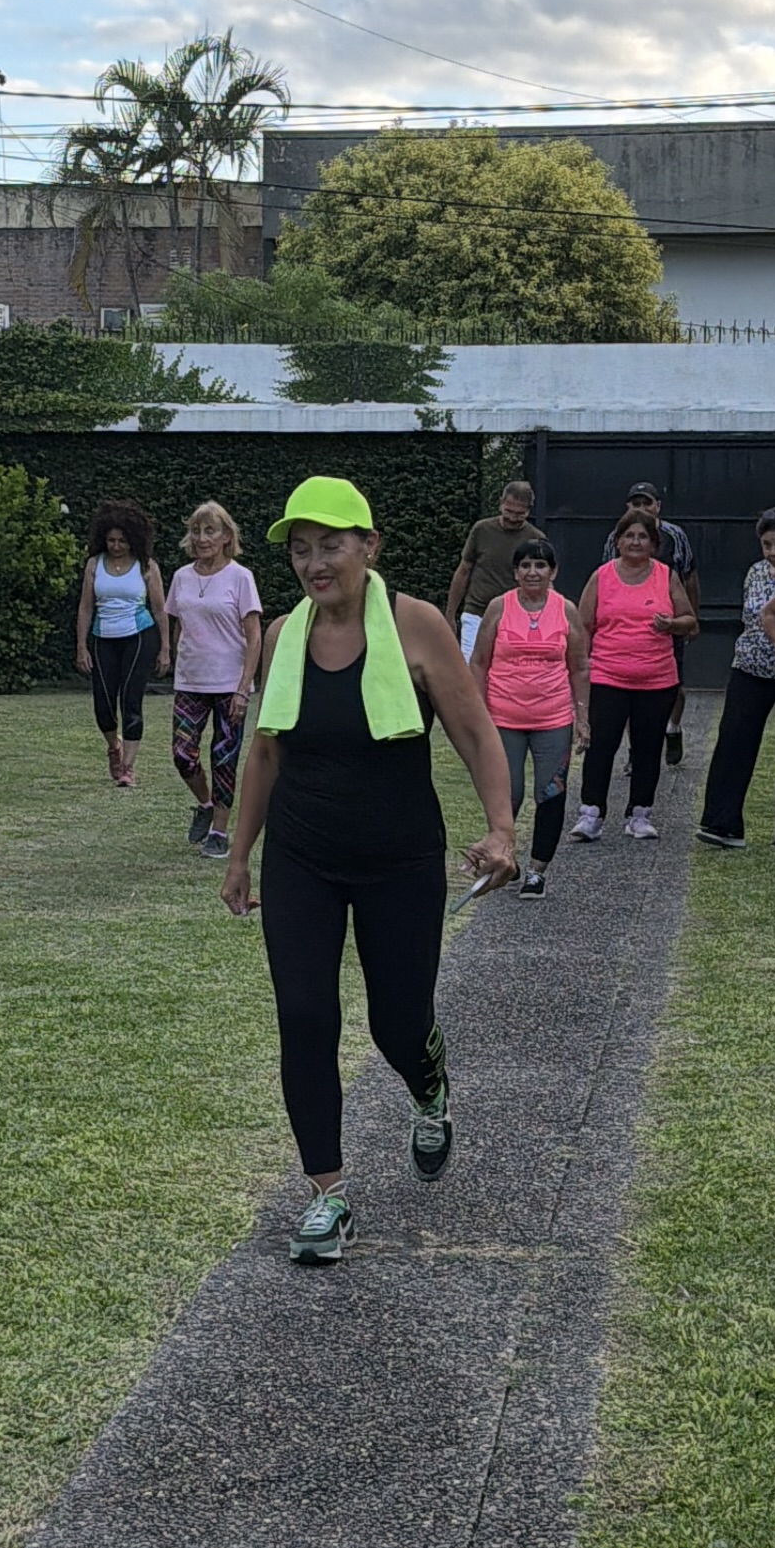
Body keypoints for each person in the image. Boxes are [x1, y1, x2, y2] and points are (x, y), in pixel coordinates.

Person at [221, 475, 516, 1266]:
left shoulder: (416, 626)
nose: (316, 563)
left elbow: (476, 733)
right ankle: (327, 1194)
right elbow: (267, 751)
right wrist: (241, 855)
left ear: (369, 546)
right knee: (307, 1018)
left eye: (332, 545)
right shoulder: (284, 636)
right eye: (300, 549)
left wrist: (500, 828)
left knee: (396, 1019)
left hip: (399, 860)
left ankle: (431, 1091)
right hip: (301, 858)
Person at [471, 527, 589, 893]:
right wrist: (476, 712)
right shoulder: (498, 607)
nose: (532, 572)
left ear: (553, 572)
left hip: (552, 718)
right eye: (525, 566)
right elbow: (478, 662)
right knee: (510, 792)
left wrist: (582, 717)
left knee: (550, 792)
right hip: (503, 717)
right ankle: (506, 859)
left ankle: (538, 869)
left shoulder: (565, 610)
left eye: (540, 565)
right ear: (515, 572)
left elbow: (580, 666)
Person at [572, 508, 700, 843]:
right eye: (629, 535)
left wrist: (671, 625)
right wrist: (581, 671)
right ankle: (591, 814)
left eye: (643, 536)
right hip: (607, 675)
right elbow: (583, 626)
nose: (635, 541)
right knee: (601, 744)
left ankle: (640, 813)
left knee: (647, 746)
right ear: (617, 542)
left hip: (657, 679)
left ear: (654, 544)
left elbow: (690, 620)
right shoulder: (601, 576)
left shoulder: (666, 576)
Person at [696, 506, 775, 851]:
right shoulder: (756, 572)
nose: (773, 552)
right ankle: (721, 823)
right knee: (734, 742)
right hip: (750, 669)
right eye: (767, 545)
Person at [168, 501, 262, 859]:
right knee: (182, 754)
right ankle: (205, 804)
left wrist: (243, 688)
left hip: (229, 684)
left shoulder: (241, 577)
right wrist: (178, 659)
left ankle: (219, 832)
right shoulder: (181, 577)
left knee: (224, 758)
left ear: (226, 537)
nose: (202, 538)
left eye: (210, 531)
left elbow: (254, 636)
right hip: (190, 682)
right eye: (196, 530)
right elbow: (181, 624)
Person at [601, 483, 699, 764]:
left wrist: (690, 618)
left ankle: (672, 728)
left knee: (674, 685)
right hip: (626, 628)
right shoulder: (614, 538)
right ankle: (636, 751)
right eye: (635, 504)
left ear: (658, 506)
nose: (640, 509)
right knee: (631, 690)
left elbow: (690, 575)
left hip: (668, 623)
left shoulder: (675, 536)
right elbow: (605, 576)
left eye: (646, 504)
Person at [73, 501, 169, 787]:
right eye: (111, 540)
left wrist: (165, 648)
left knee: (131, 700)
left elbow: (160, 609)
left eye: (122, 541)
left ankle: (127, 767)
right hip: (104, 638)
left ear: (133, 540)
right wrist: (81, 646)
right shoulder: (93, 565)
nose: (116, 546)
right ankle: (113, 747)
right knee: (103, 704)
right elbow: (85, 608)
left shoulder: (147, 567)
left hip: (139, 636)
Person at [445, 475, 536, 660]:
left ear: (528, 511)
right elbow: (463, 571)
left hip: (516, 616)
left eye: (519, 514)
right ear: (500, 503)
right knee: (472, 668)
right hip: (476, 613)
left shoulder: (535, 539)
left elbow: (542, 582)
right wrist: (450, 614)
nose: (512, 518)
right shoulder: (481, 530)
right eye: (508, 511)